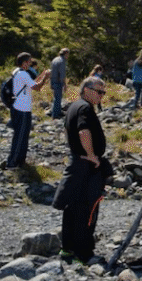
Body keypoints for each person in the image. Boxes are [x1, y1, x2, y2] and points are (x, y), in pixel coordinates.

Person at [52, 76, 112, 265]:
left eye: (103, 92)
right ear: (86, 90)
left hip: (77, 164)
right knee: (87, 209)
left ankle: (68, 249)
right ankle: (84, 253)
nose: (101, 95)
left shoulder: (74, 106)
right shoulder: (85, 108)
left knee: (72, 208)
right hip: (86, 166)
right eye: (98, 91)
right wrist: (92, 155)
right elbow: (83, 131)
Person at [4, 52, 51, 170]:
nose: (31, 64)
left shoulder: (17, 72)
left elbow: (32, 83)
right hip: (22, 109)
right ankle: (13, 163)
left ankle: (19, 161)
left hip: (17, 107)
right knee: (21, 136)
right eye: (29, 62)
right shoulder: (23, 74)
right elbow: (37, 87)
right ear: (24, 63)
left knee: (21, 135)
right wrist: (45, 77)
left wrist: (42, 75)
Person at [50, 48, 68, 119]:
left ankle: (56, 112)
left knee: (56, 97)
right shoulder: (62, 61)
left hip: (53, 80)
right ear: (66, 53)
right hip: (58, 81)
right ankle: (55, 115)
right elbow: (62, 74)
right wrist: (65, 84)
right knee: (58, 98)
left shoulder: (55, 59)